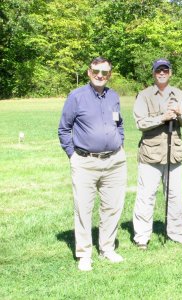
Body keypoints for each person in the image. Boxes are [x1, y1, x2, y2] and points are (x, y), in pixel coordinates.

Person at [58, 57, 127, 271]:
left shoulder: (113, 96)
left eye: (104, 72)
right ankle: (84, 254)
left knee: (113, 206)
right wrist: (73, 155)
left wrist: (119, 144)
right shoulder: (76, 97)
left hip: (115, 161)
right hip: (85, 162)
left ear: (109, 75)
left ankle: (107, 248)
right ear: (89, 72)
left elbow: (119, 124)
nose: (100, 75)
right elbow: (63, 129)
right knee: (83, 208)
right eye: (96, 71)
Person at [132, 58, 182, 249]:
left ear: (170, 73)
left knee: (175, 196)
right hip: (150, 154)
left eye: (165, 70)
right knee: (146, 196)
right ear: (153, 73)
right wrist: (162, 118)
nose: (162, 73)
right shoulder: (143, 95)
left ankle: (176, 234)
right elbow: (140, 122)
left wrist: (179, 114)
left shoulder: (180, 95)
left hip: (173, 153)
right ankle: (142, 237)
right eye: (158, 70)